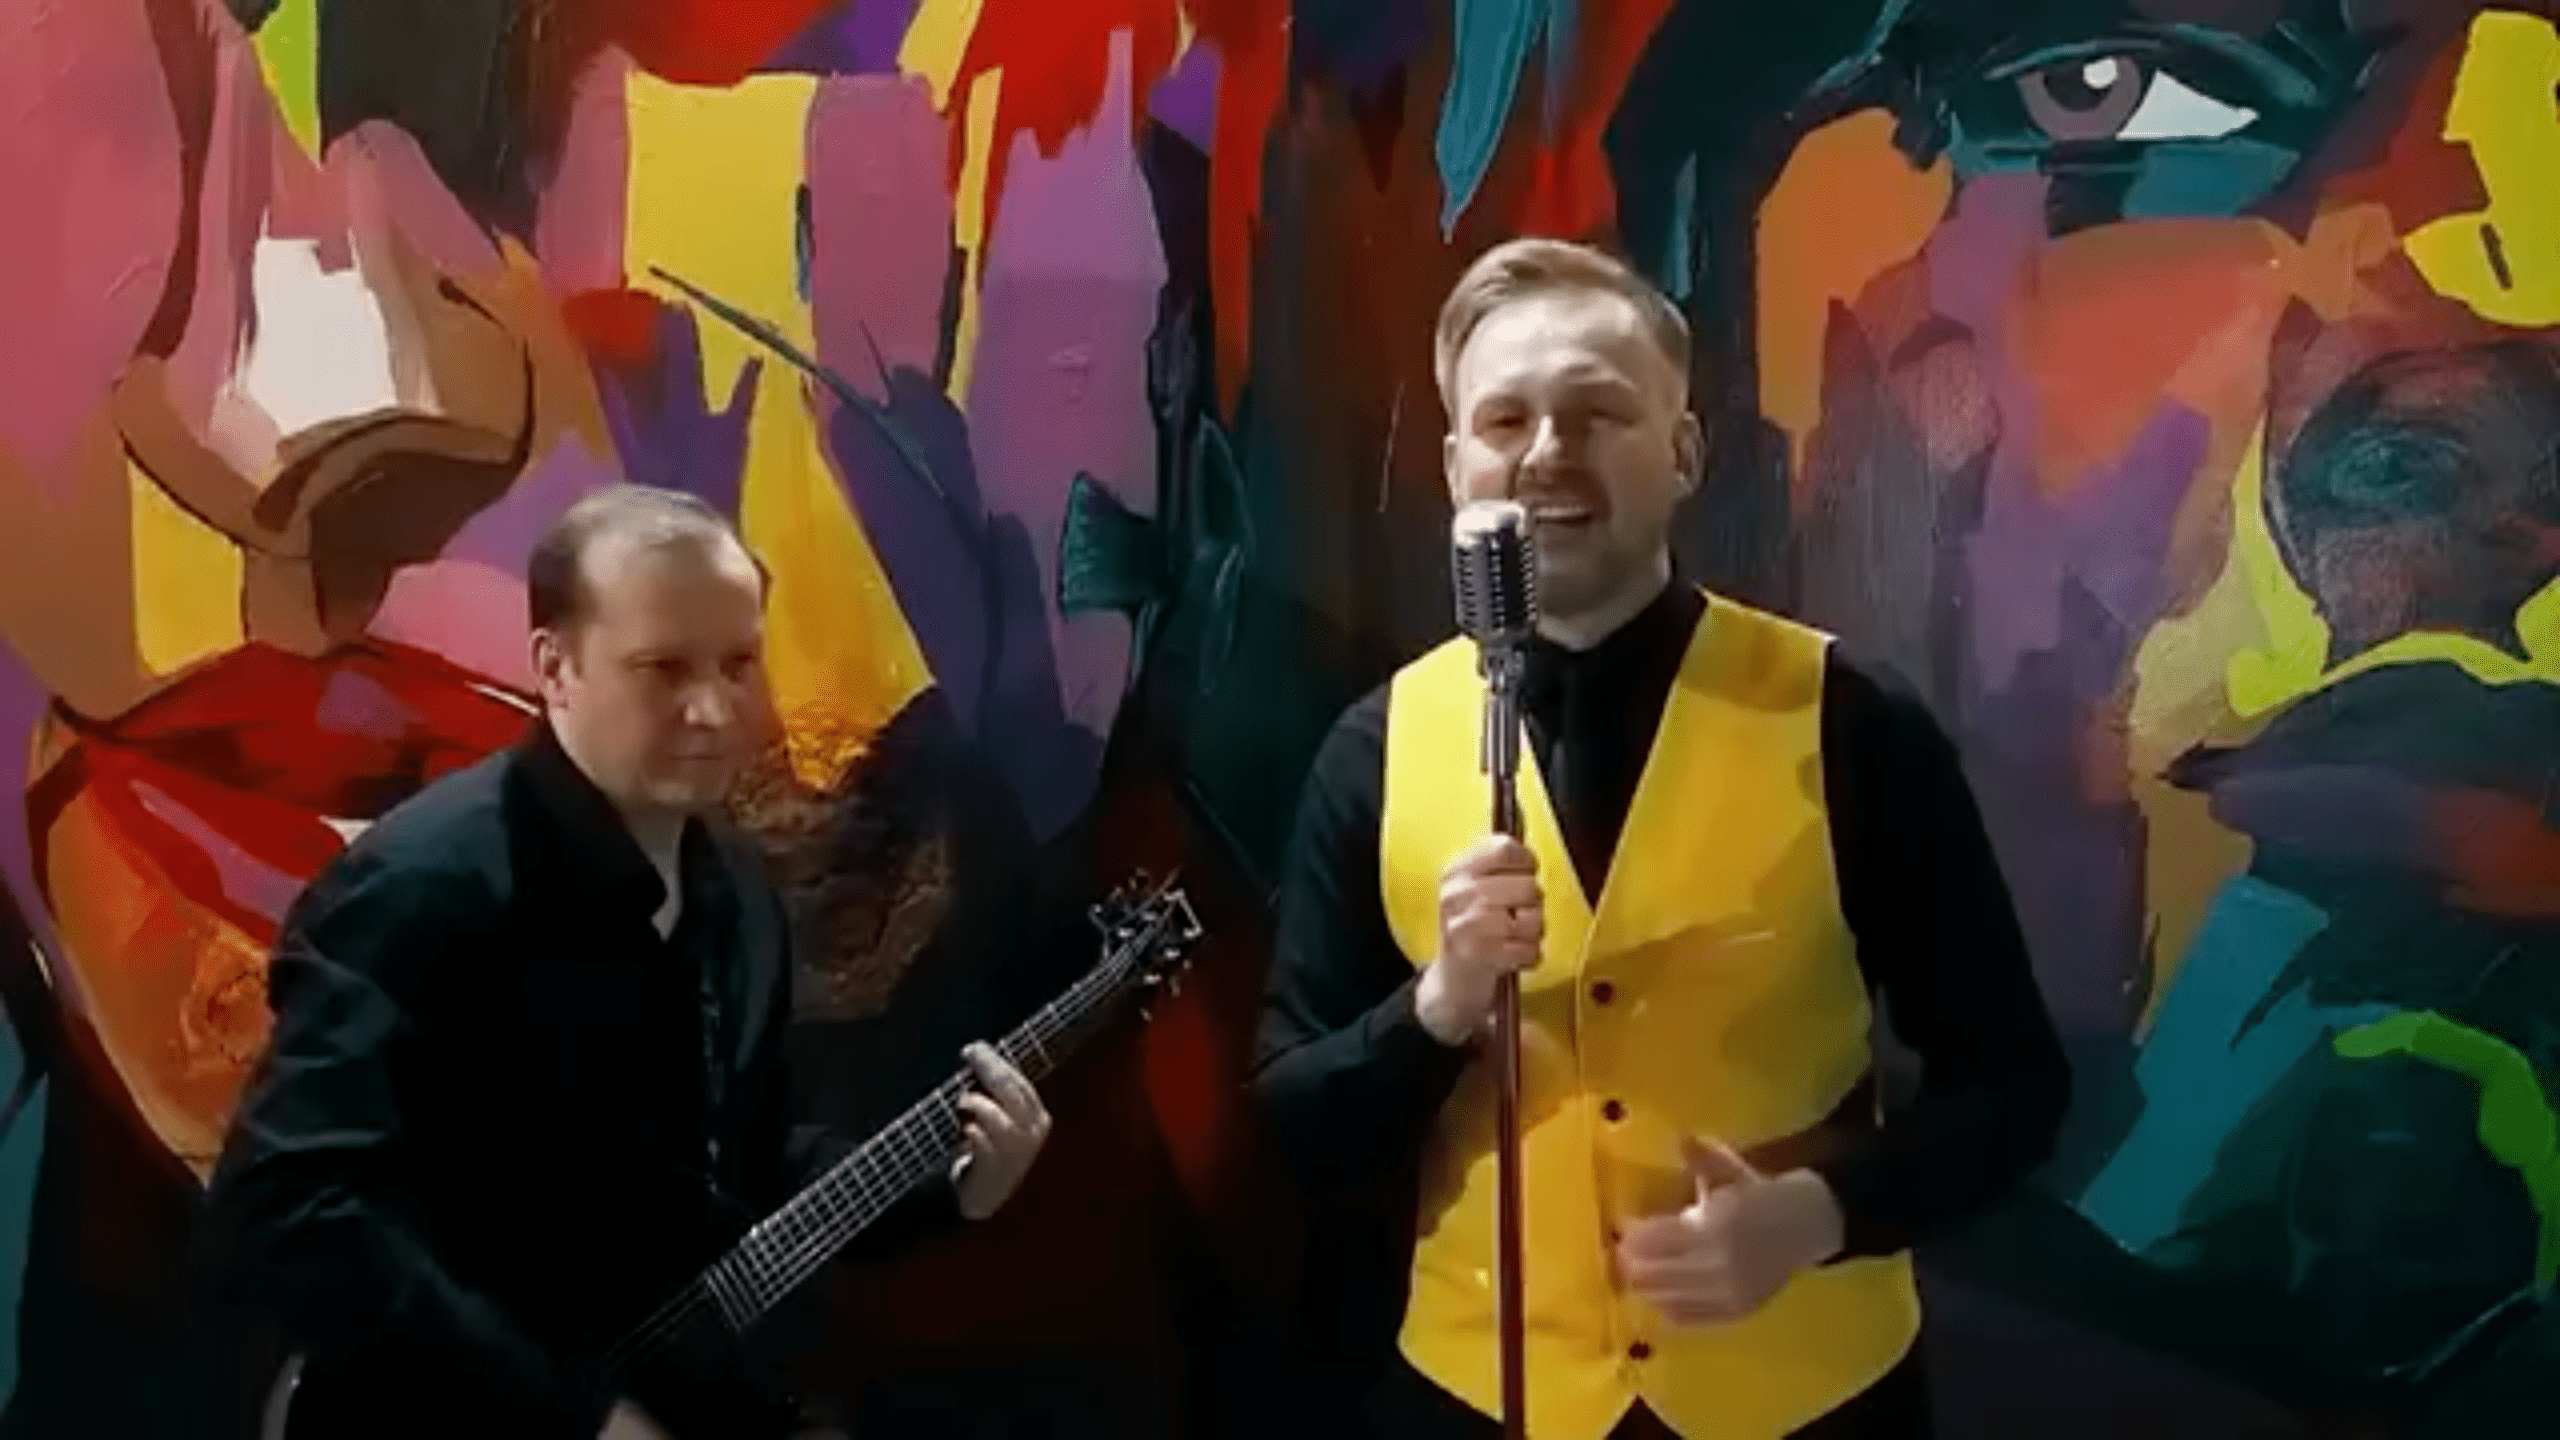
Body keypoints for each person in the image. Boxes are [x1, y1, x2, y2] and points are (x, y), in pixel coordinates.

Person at [1251, 238, 2070, 1439]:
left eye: (1596, 414)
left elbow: (2014, 1088)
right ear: (1455, 465)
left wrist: (1815, 1213)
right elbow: (1294, 1127)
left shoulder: (1852, 724)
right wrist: (1434, 1009)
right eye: (1504, 420)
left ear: (1682, 453)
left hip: (1809, 1407)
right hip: (1479, 1402)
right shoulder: (1371, 752)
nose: (1546, 453)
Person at [197, 485, 1055, 1440]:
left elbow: (752, 1155)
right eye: (664, 668)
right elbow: (286, 1208)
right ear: (554, 668)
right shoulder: (417, 889)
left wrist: (950, 1184)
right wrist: (573, 1411)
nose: (714, 709)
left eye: (738, 664)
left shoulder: (737, 891)